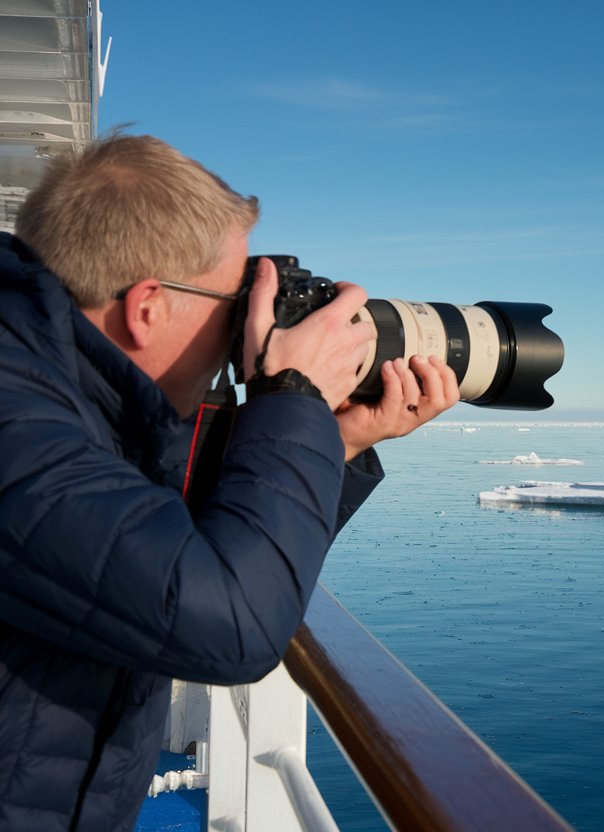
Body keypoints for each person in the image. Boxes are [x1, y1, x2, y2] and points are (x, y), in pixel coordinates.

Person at [0, 134, 460, 830]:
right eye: (234, 298)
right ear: (147, 306)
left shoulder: (71, 394)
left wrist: (332, 438)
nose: (248, 325)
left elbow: (186, 550)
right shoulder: (15, 415)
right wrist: (292, 394)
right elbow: (232, 620)